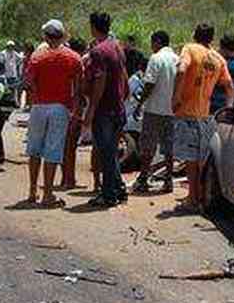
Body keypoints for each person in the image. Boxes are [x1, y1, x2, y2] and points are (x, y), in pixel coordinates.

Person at [172, 23, 234, 213]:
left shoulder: (189, 49)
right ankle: (199, 197)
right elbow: (229, 86)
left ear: (194, 35)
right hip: (205, 115)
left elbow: (182, 69)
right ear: (211, 39)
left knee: (190, 160)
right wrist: (229, 109)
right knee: (201, 159)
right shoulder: (218, 58)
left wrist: (176, 96)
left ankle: (193, 199)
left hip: (187, 113)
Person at [21, 19, 82, 208]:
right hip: (60, 107)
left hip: (39, 106)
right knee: (53, 150)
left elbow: (28, 82)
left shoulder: (37, 58)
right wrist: (77, 110)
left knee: (34, 149)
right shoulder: (73, 58)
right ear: (63, 35)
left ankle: (32, 191)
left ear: (45, 37)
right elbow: (78, 88)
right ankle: (48, 193)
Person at [84, 11, 129, 208]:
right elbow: (124, 77)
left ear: (93, 27)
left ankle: (109, 194)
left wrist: (91, 109)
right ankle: (119, 189)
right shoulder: (117, 48)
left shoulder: (98, 51)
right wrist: (123, 98)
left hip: (105, 110)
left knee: (106, 153)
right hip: (118, 107)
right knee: (111, 152)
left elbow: (100, 81)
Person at [132, 30, 179, 194]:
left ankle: (144, 179)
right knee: (169, 148)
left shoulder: (156, 58)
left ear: (158, 42)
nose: (151, 46)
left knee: (148, 147)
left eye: (152, 43)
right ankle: (168, 181)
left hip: (154, 109)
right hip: (172, 110)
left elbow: (149, 83)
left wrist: (139, 104)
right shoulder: (177, 59)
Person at [59, 37, 87, 190]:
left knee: (66, 146)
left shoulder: (64, 62)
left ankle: (66, 177)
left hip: (64, 106)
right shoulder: (77, 64)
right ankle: (69, 179)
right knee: (70, 146)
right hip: (73, 108)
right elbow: (78, 90)